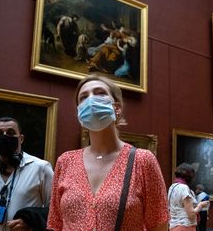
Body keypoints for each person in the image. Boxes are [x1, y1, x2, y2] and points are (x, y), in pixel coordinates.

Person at [47, 74, 169, 231]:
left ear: (117, 108)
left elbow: (158, 225)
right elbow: (55, 224)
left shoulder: (142, 160)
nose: (91, 100)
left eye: (99, 93)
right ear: (79, 113)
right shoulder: (65, 161)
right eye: (83, 97)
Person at [168, 163, 209, 231]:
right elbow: (191, 214)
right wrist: (200, 205)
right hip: (186, 226)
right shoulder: (184, 188)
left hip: (173, 226)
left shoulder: (172, 187)